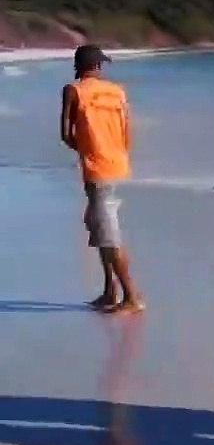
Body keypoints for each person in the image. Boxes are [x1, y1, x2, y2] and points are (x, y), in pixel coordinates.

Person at [60, 45, 144, 315]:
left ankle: (132, 297)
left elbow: (66, 134)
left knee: (108, 235)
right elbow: (127, 129)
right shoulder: (118, 91)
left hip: (97, 169)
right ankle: (110, 291)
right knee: (96, 224)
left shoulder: (73, 91)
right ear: (98, 66)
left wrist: (88, 150)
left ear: (78, 67)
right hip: (119, 164)